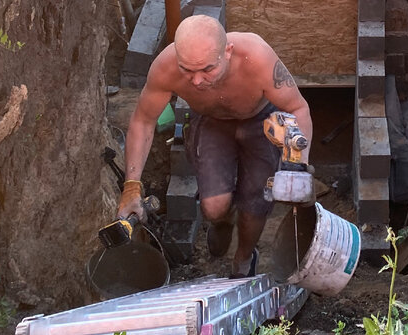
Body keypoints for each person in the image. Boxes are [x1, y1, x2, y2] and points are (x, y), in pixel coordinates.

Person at [117, 15, 313, 277]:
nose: (196, 81)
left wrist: (297, 166)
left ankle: (243, 258)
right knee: (213, 207)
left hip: (261, 120)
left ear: (227, 52)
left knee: (254, 205)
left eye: (207, 69)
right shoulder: (166, 67)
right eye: (188, 70)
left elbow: (298, 108)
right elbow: (143, 120)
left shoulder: (256, 57)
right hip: (212, 122)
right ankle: (223, 219)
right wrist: (131, 186)